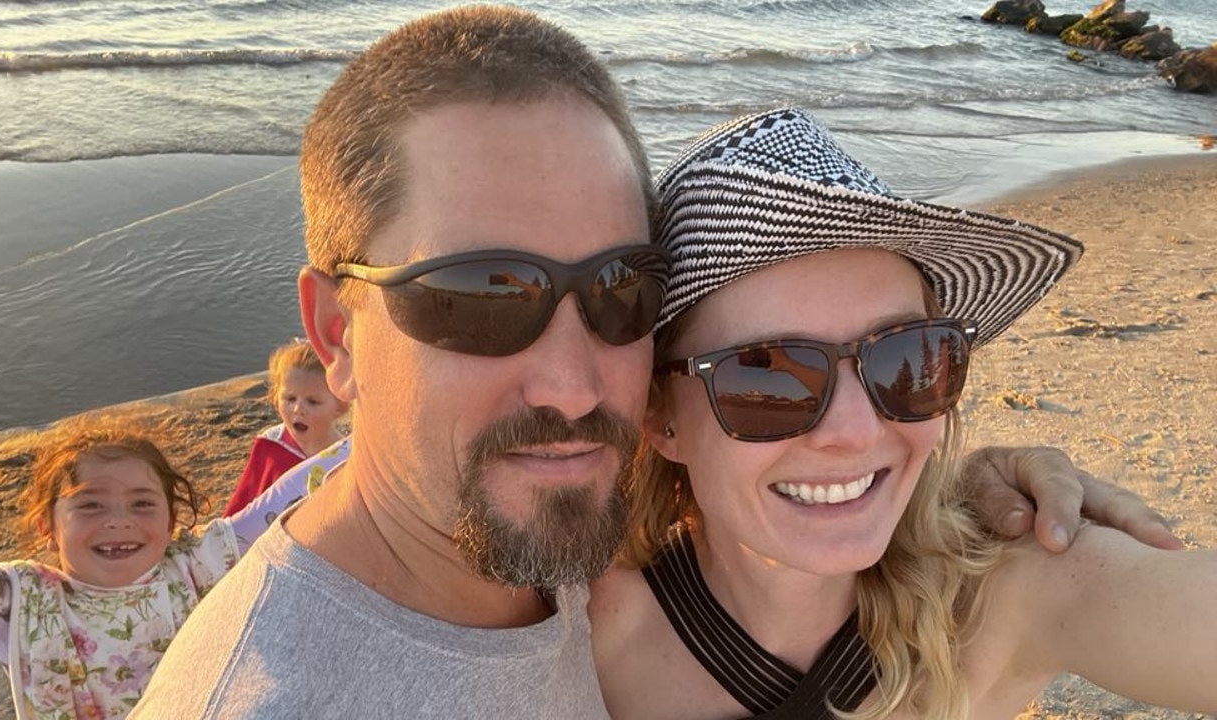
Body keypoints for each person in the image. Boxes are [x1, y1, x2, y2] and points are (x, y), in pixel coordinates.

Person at [132, 7, 1180, 718]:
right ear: (333, 337)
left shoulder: (578, 561)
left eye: (619, 294)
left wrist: (948, 480)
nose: (574, 384)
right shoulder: (274, 693)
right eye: (483, 296)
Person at [589, 107, 1217, 720]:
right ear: (661, 417)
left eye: (905, 358)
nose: (857, 430)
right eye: (769, 377)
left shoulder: (1006, 592)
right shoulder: (576, 628)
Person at [0, 415, 315, 720]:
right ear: (47, 529)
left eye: (142, 504)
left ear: (171, 524)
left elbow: (291, 496)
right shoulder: (18, 606)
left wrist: (360, 445)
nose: (119, 521)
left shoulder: (199, 564)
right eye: (90, 505)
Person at [222, 337, 347, 516]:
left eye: (312, 402)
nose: (298, 409)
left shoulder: (344, 458)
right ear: (276, 396)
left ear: (340, 406)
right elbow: (243, 506)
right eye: (290, 399)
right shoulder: (271, 446)